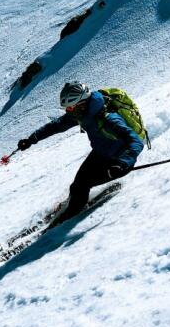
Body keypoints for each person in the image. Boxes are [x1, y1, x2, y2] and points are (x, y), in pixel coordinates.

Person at [17, 81, 144, 226]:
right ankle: (72, 203)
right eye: (67, 108)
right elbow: (57, 125)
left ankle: (67, 219)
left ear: (82, 103)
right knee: (76, 185)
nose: (68, 111)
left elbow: (136, 142)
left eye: (70, 107)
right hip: (100, 153)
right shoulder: (83, 113)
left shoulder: (108, 118)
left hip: (117, 162)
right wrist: (32, 139)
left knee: (82, 186)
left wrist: (122, 163)